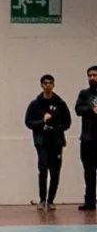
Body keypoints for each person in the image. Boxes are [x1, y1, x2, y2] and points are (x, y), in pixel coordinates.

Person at [24, 73, 71, 211]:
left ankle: (51, 200)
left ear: (54, 85)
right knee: (43, 169)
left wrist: (55, 128)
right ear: (41, 85)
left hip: (56, 142)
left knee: (55, 171)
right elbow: (28, 122)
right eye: (45, 83)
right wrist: (41, 122)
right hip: (42, 142)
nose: (48, 85)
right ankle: (42, 199)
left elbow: (67, 123)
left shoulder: (60, 103)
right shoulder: (35, 104)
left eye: (50, 83)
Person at [75, 65, 97, 211]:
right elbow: (78, 109)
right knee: (89, 172)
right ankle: (90, 201)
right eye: (90, 75)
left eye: (95, 75)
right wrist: (91, 109)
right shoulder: (84, 94)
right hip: (88, 139)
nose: (92, 78)